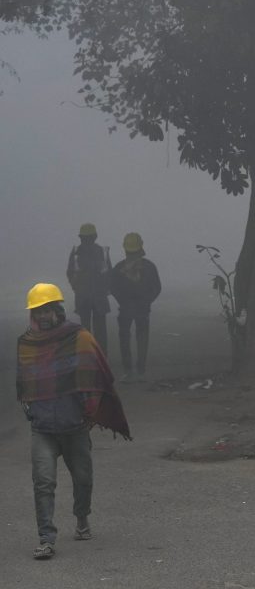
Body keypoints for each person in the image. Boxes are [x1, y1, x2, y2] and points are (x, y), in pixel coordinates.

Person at [17, 283, 131, 560]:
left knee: (83, 479)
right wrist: (30, 410)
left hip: (75, 427)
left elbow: (95, 375)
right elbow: (24, 382)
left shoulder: (78, 338)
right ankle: (46, 539)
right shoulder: (27, 342)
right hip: (42, 429)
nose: (42, 316)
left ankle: (82, 519)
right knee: (43, 483)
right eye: (37, 312)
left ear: (58, 310)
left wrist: (90, 411)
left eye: (47, 310)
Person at [109, 232, 161, 382]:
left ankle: (129, 370)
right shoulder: (149, 267)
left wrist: (123, 301)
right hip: (140, 308)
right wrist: (147, 301)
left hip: (127, 308)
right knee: (141, 337)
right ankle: (140, 370)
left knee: (125, 338)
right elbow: (156, 288)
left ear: (125, 249)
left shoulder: (119, 268)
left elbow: (113, 288)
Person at [65, 223, 112, 352]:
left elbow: (70, 273)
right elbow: (109, 274)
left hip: (85, 298)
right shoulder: (102, 252)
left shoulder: (76, 253)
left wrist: (77, 288)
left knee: (86, 331)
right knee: (99, 332)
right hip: (97, 297)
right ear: (95, 236)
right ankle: (100, 358)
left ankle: (89, 358)